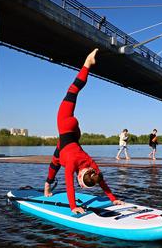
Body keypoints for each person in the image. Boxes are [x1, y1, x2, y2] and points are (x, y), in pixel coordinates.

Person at [44, 49, 124, 214]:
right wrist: (73, 207)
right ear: (79, 176)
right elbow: (69, 185)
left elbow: (101, 181)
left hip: (73, 135)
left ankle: (46, 187)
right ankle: (87, 63)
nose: (79, 183)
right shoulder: (76, 164)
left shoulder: (91, 164)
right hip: (67, 129)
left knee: (55, 160)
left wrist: (113, 198)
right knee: (72, 91)